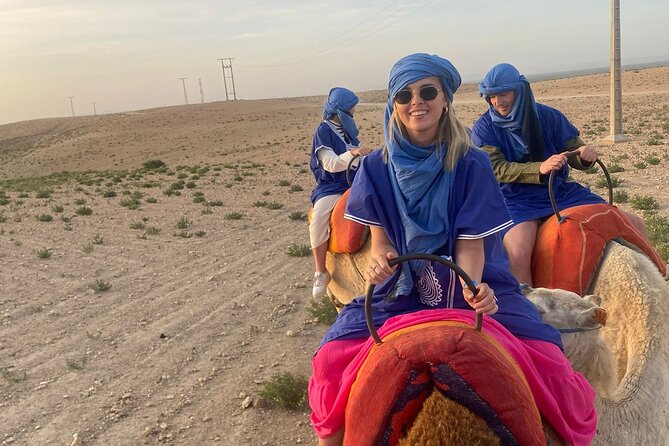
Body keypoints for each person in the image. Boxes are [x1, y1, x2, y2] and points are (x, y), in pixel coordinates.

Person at [308, 54, 596, 446]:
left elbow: (469, 247)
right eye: (405, 94)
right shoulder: (375, 167)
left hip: (469, 286)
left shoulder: (471, 163)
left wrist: (473, 286)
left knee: (549, 360)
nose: (417, 102)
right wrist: (380, 263)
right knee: (329, 358)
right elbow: (381, 243)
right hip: (401, 291)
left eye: (428, 91)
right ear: (393, 103)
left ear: (445, 99)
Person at [471, 63, 647, 286]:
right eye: (492, 97)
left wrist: (583, 156)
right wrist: (539, 168)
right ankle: (529, 310)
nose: (498, 102)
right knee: (518, 253)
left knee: (630, 222)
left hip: (559, 191)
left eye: (503, 94)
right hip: (515, 200)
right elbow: (495, 169)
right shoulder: (484, 127)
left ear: (519, 91)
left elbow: (574, 151)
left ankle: (656, 278)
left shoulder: (549, 117)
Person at [309, 87, 373, 299]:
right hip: (332, 186)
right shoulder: (324, 130)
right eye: (352, 106)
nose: (354, 109)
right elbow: (330, 164)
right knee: (319, 216)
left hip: (354, 182)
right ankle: (320, 271)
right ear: (342, 109)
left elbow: (357, 159)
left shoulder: (347, 131)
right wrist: (352, 153)